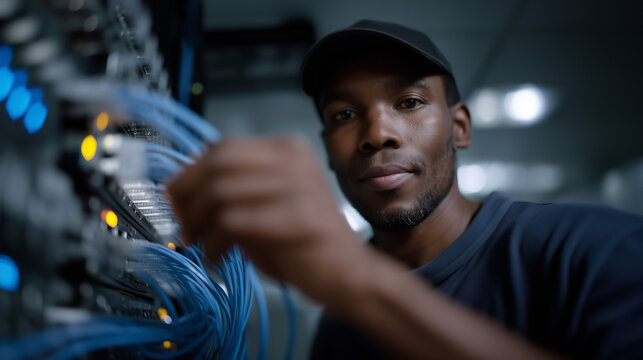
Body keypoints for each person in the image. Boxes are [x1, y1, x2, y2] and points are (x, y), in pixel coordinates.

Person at [168, 20, 643, 359]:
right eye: (344, 115)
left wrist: (361, 281)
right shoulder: (341, 329)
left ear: (459, 128)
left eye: (410, 101)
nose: (378, 133)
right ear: (328, 151)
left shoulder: (597, 250)